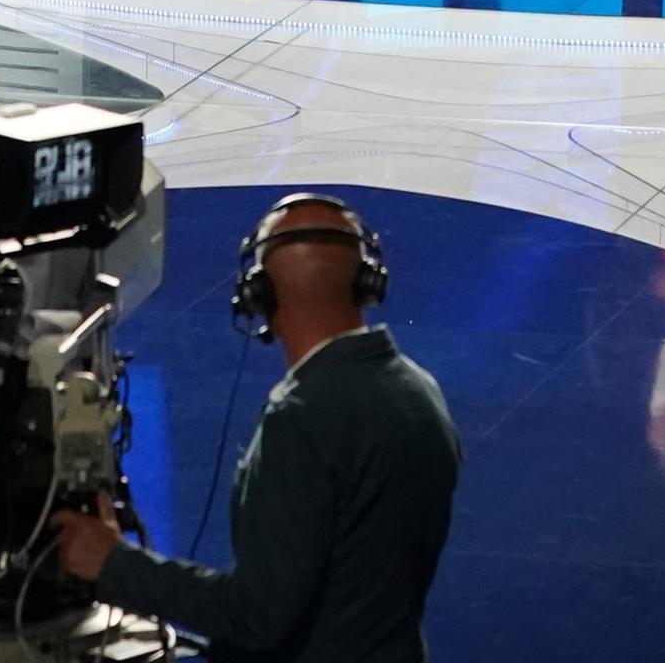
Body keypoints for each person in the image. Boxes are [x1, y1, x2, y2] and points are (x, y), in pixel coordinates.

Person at [52, 193, 459, 659]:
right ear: (367, 282)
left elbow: (255, 618)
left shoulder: (303, 419)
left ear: (258, 295)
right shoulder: (419, 390)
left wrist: (111, 562)